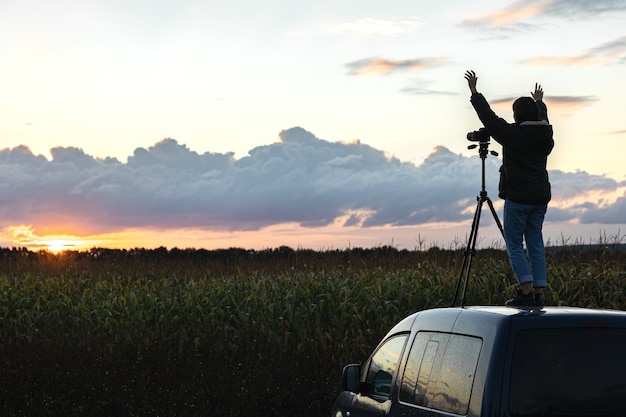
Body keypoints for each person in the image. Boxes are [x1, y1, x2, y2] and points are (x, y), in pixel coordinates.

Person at [464, 70, 554, 307]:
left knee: (514, 243)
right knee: (535, 241)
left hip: (518, 199)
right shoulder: (546, 135)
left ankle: (524, 290)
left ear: (516, 115)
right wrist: (540, 104)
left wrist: (475, 93)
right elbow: (542, 121)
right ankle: (538, 290)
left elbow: (489, 119)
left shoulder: (513, 134)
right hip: (540, 198)